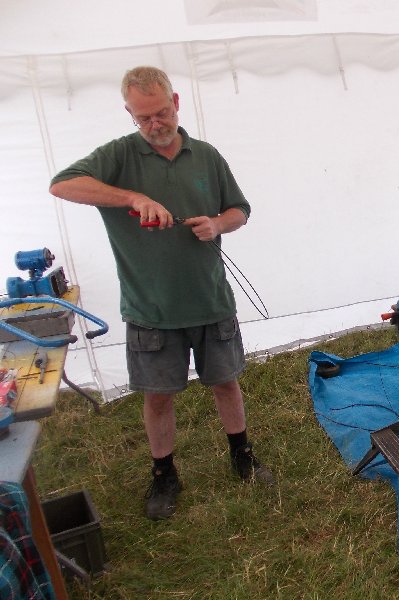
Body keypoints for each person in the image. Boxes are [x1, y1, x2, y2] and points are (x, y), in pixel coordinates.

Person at [49, 66, 273, 520]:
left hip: (210, 299)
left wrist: (217, 224)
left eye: (161, 113)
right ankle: (164, 474)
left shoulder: (205, 155)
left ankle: (242, 454)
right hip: (150, 307)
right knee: (157, 395)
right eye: (143, 117)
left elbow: (240, 210)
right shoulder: (118, 155)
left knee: (226, 382)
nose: (155, 124)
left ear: (176, 102)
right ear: (130, 113)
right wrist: (132, 198)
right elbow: (62, 184)